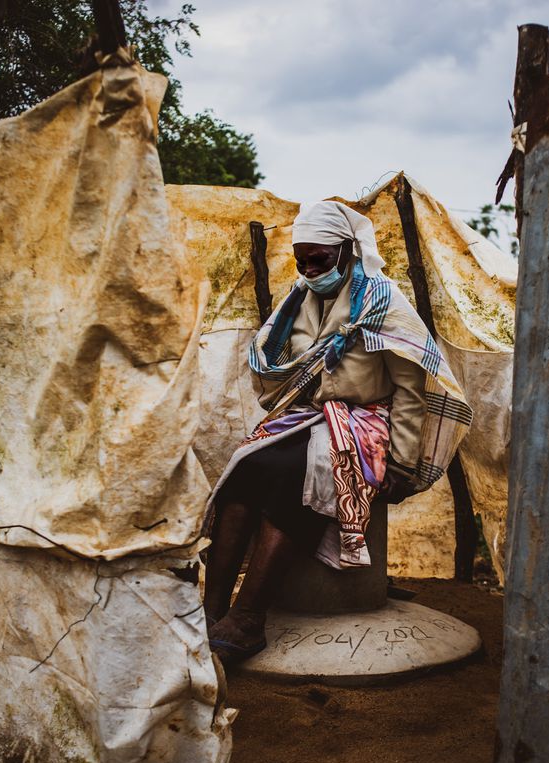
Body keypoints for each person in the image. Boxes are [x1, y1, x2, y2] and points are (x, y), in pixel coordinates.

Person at [201, 199, 473, 663]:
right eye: (301, 259)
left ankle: (248, 618)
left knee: (297, 474)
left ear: (348, 251)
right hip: (312, 417)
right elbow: (273, 367)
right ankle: (210, 612)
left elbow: (411, 389)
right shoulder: (298, 300)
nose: (309, 268)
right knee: (245, 470)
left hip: (369, 419)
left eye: (319, 259)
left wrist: (403, 463)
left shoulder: (383, 302)